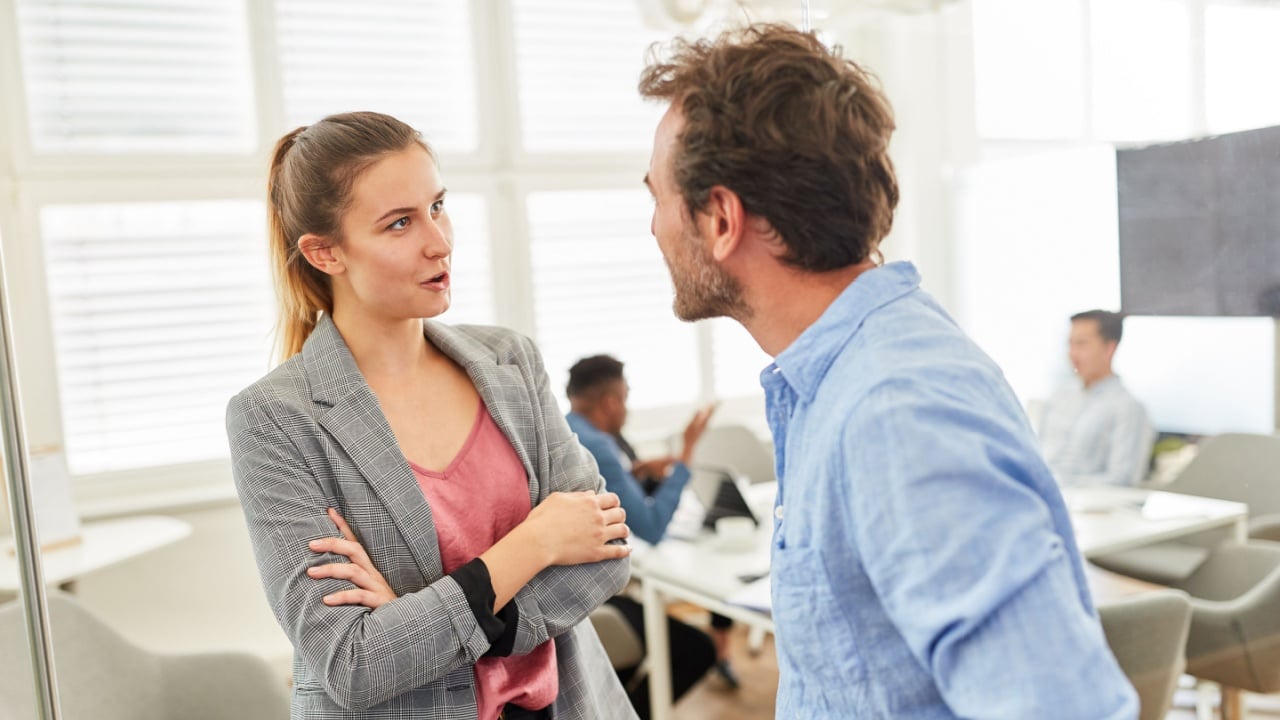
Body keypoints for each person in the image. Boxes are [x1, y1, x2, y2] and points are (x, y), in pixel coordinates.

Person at [637, 24, 1138, 718]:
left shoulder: (896, 409)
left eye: (656, 196)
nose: (654, 226)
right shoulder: (832, 382)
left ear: (720, 218)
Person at [226, 112, 637, 720]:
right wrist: (537, 541)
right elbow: (354, 662)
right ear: (324, 252)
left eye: (438, 206)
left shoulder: (509, 361)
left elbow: (607, 552)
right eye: (399, 223)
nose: (438, 241)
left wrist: (419, 619)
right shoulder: (275, 420)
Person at [563, 355, 731, 716]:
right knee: (697, 649)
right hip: (595, 601)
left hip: (564, 594)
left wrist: (636, 472)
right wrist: (686, 454)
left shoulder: (565, 431)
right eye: (626, 396)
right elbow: (652, 527)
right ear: (612, 401)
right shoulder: (602, 447)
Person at [1038, 310, 1155, 487]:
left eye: (1082, 344)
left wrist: (1059, 484)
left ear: (1109, 348)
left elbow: (1122, 479)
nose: (1073, 354)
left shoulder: (1127, 407)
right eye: (1070, 344)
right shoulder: (1058, 396)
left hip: (1086, 506)